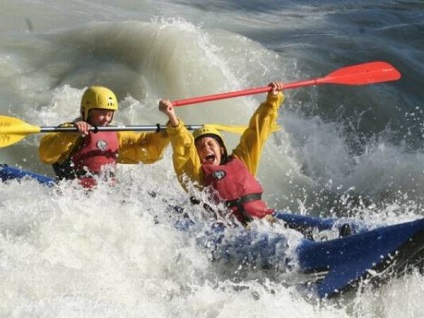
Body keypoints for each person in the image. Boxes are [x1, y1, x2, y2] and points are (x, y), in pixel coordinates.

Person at [158, 82, 284, 226]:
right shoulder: (198, 175)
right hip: (235, 231)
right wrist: (172, 117)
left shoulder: (242, 160)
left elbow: (256, 133)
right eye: (200, 146)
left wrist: (272, 100)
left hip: (265, 221)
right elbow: (184, 148)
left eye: (210, 144)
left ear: (222, 149)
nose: (206, 148)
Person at [39, 86, 170, 188]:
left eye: (109, 114)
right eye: (101, 114)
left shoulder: (115, 134)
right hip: (73, 198)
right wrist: (71, 134)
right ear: (85, 112)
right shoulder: (70, 130)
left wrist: (166, 132)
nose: (106, 119)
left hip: (104, 198)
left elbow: (144, 145)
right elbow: (46, 154)